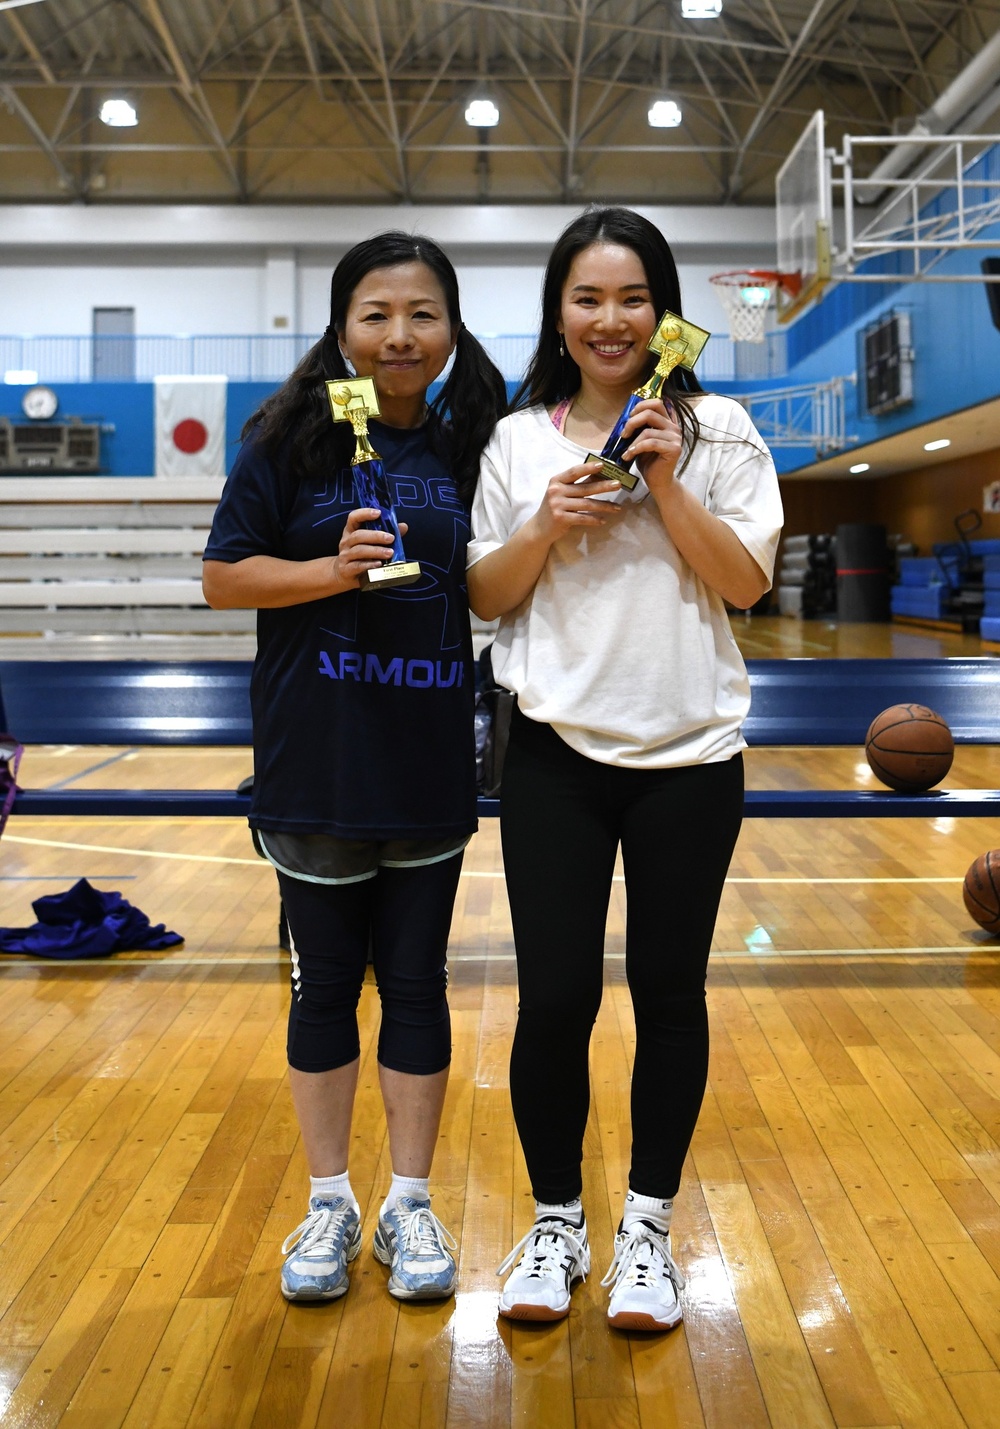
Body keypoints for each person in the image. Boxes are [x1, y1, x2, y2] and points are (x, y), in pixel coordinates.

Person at [467, 206, 782, 1332]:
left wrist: (669, 478)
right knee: (554, 996)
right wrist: (545, 525)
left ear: (665, 310)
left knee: (669, 993)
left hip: (690, 756)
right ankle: (556, 1221)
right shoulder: (517, 442)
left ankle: (644, 1230)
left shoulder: (727, 430)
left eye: (632, 296)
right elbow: (485, 596)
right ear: (559, 311)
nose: (611, 319)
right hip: (553, 750)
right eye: (587, 297)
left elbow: (742, 586)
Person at [203, 232, 507, 1305]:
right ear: (343, 329)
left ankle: (408, 1205)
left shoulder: (477, 446)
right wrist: (326, 572)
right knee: (326, 986)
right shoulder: (285, 443)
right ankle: (328, 1202)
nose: (399, 334)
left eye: (422, 313)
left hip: (426, 760)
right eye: (376, 313)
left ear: (451, 331)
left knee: (418, 985)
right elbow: (223, 580)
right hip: (315, 763)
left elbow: (501, 581)